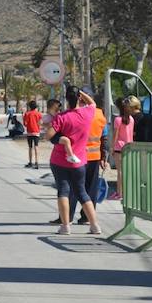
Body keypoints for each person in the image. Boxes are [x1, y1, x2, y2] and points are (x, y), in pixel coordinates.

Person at [45, 85, 102, 236]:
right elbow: (93, 103)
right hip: (80, 161)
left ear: (66, 99)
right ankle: (95, 225)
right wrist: (81, 93)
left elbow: (48, 135)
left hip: (59, 161)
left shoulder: (62, 117)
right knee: (82, 192)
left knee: (63, 191)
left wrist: (62, 139)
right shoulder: (88, 113)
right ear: (79, 98)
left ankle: (65, 226)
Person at [69, 89, 109, 225]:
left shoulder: (77, 113)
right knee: (91, 188)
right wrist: (104, 157)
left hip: (78, 156)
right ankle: (86, 217)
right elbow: (104, 137)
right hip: (95, 156)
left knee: (74, 187)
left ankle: (67, 216)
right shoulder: (99, 114)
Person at [109, 97, 135, 201]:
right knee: (127, 171)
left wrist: (111, 147)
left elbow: (115, 135)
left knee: (119, 171)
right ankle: (127, 192)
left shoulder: (118, 120)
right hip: (129, 146)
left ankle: (119, 193)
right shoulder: (131, 119)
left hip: (119, 147)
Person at [23, 100, 43, 169]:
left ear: (29, 107)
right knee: (36, 147)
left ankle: (30, 162)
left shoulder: (27, 114)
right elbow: (40, 123)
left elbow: (25, 124)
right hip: (36, 132)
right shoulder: (39, 114)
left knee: (30, 147)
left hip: (29, 133)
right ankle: (37, 162)